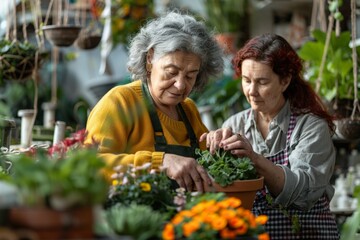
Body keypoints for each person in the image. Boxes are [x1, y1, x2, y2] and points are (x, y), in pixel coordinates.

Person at [200, 33, 340, 239]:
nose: (252, 91)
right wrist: (215, 152)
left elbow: (303, 194)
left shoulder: (311, 127)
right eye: (246, 80)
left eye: (262, 82)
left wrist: (254, 159)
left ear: (284, 81)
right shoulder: (234, 125)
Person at [85, 11, 224, 192]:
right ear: (150, 58)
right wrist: (160, 162)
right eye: (171, 72)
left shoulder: (188, 110)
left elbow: (212, 166)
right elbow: (90, 167)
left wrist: (223, 145)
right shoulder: (119, 102)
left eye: (191, 75)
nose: (181, 85)